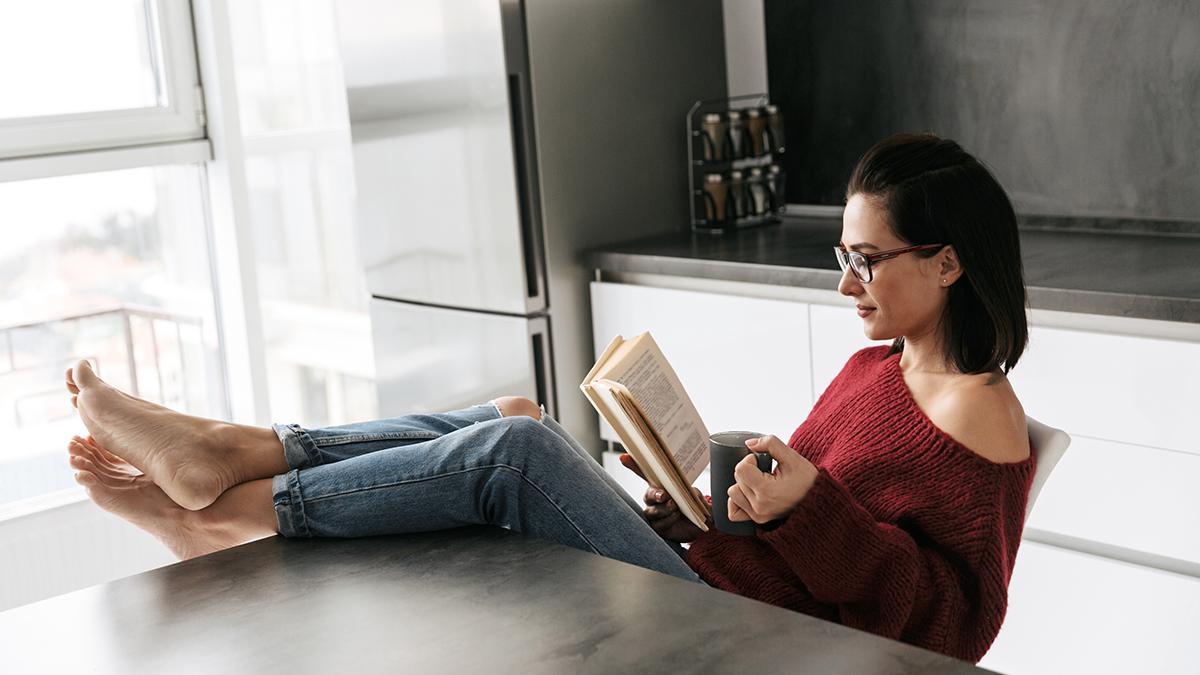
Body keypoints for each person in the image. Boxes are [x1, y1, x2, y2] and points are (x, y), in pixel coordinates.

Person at [64, 132, 1034, 664]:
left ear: (947, 262)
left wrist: (809, 508)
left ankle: (239, 504)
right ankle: (236, 462)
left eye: (866, 260)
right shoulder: (882, 367)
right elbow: (791, 528)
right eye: (843, 256)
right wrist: (693, 504)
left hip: (739, 628)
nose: (845, 283)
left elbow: (949, 632)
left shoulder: (980, 425)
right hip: (710, 566)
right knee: (514, 417)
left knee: (517, 458)